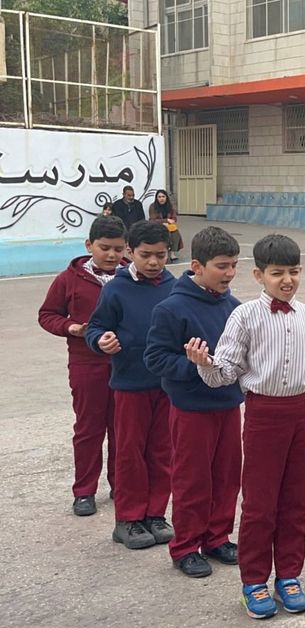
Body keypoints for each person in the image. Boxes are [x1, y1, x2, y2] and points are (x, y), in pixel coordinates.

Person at [186, 234, 305, 618]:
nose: (287, 280)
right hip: (264, 416)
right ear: (258, 275)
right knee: (260, 503)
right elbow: (226, 373)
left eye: (294, 272)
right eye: (277, 273)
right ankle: (254, 581)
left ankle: (289, 574)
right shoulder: (244, 316)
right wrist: (204, 362)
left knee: (296, 501)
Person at [144, 226, 244, 578]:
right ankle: (186, 545)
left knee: (228, 476)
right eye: (221, 266)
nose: (230, 273)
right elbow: (155, 358)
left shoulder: (236, 308)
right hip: (191, 409)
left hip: (229, 406)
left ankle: (217, 537)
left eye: (233, 265)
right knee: (192, 479)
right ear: (197, 266)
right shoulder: (171, 308)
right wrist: (193, 365)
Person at [85, 221, 176, 549]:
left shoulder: (174, 287)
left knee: (162, 451)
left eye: (161, 255)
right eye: (145, 255)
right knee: (129, 452)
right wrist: (101, 340)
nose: (153, 262)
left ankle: (155, 514)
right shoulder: (116, 289)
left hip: (167, 385)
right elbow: (96, 327)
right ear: (130, 253)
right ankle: (128, 519)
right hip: (129, 385)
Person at [38, 216, 127, 517]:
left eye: (118, 248)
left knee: (124, 428)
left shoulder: (133, 277)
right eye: (105, 248)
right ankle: (84, 491)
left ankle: (121, 484)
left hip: (127, 365)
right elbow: (47, 314)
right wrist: (72, 327)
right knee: (89, 429)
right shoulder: (68, 279)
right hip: (86, 364)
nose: (112, 255)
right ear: (89, 246)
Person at [148, 189, 183, 262]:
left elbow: (174, 218)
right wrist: (165, 221)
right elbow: (153, 220)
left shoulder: (170, 206)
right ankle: (165, 252)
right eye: (159, 197)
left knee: (175, 233)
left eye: (163, 196)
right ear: (156, 198)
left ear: (166, 197)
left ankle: (172, 252)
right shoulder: (153, 206)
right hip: (157, 226)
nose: (161, 199)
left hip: (169, 226)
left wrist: (171, 221)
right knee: (166, 234)